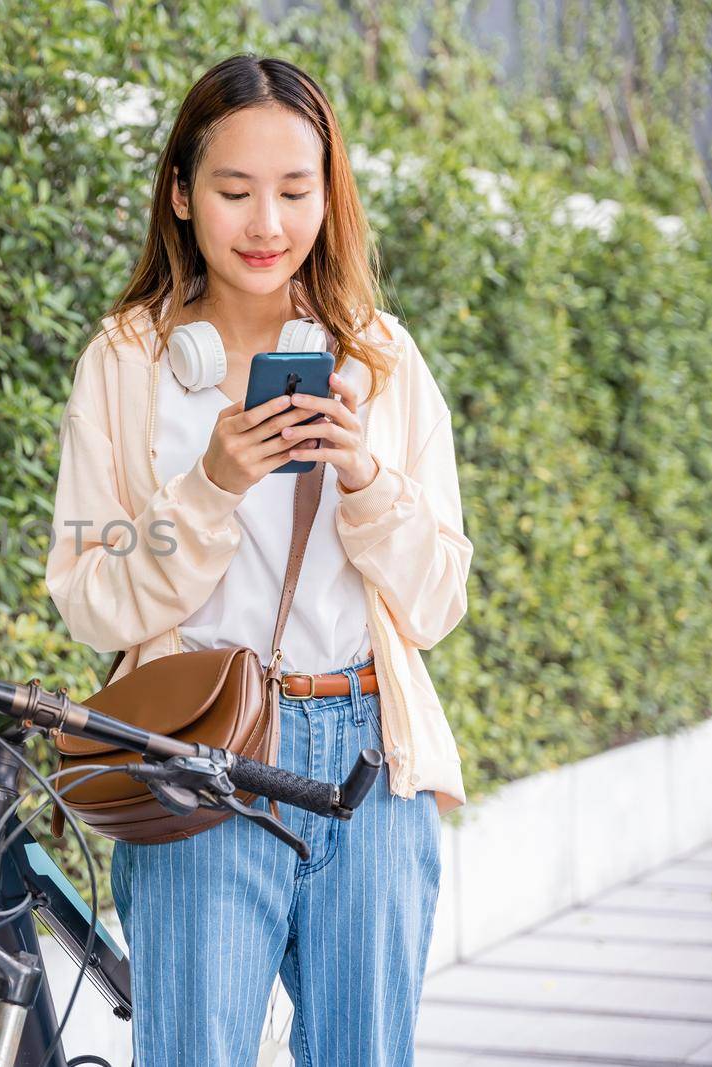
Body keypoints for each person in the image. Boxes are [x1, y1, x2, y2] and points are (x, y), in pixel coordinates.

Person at [43, 53, 475, 1066]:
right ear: (183, 197)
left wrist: (365, 475)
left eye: (294, 191)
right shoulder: (129, 359)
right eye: (235, 191)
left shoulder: (378, 358)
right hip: (199, 758)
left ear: (330, 196)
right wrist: (211, 485)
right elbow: (93, 596)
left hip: (370, 759)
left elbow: (438, 594)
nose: (266, 224)